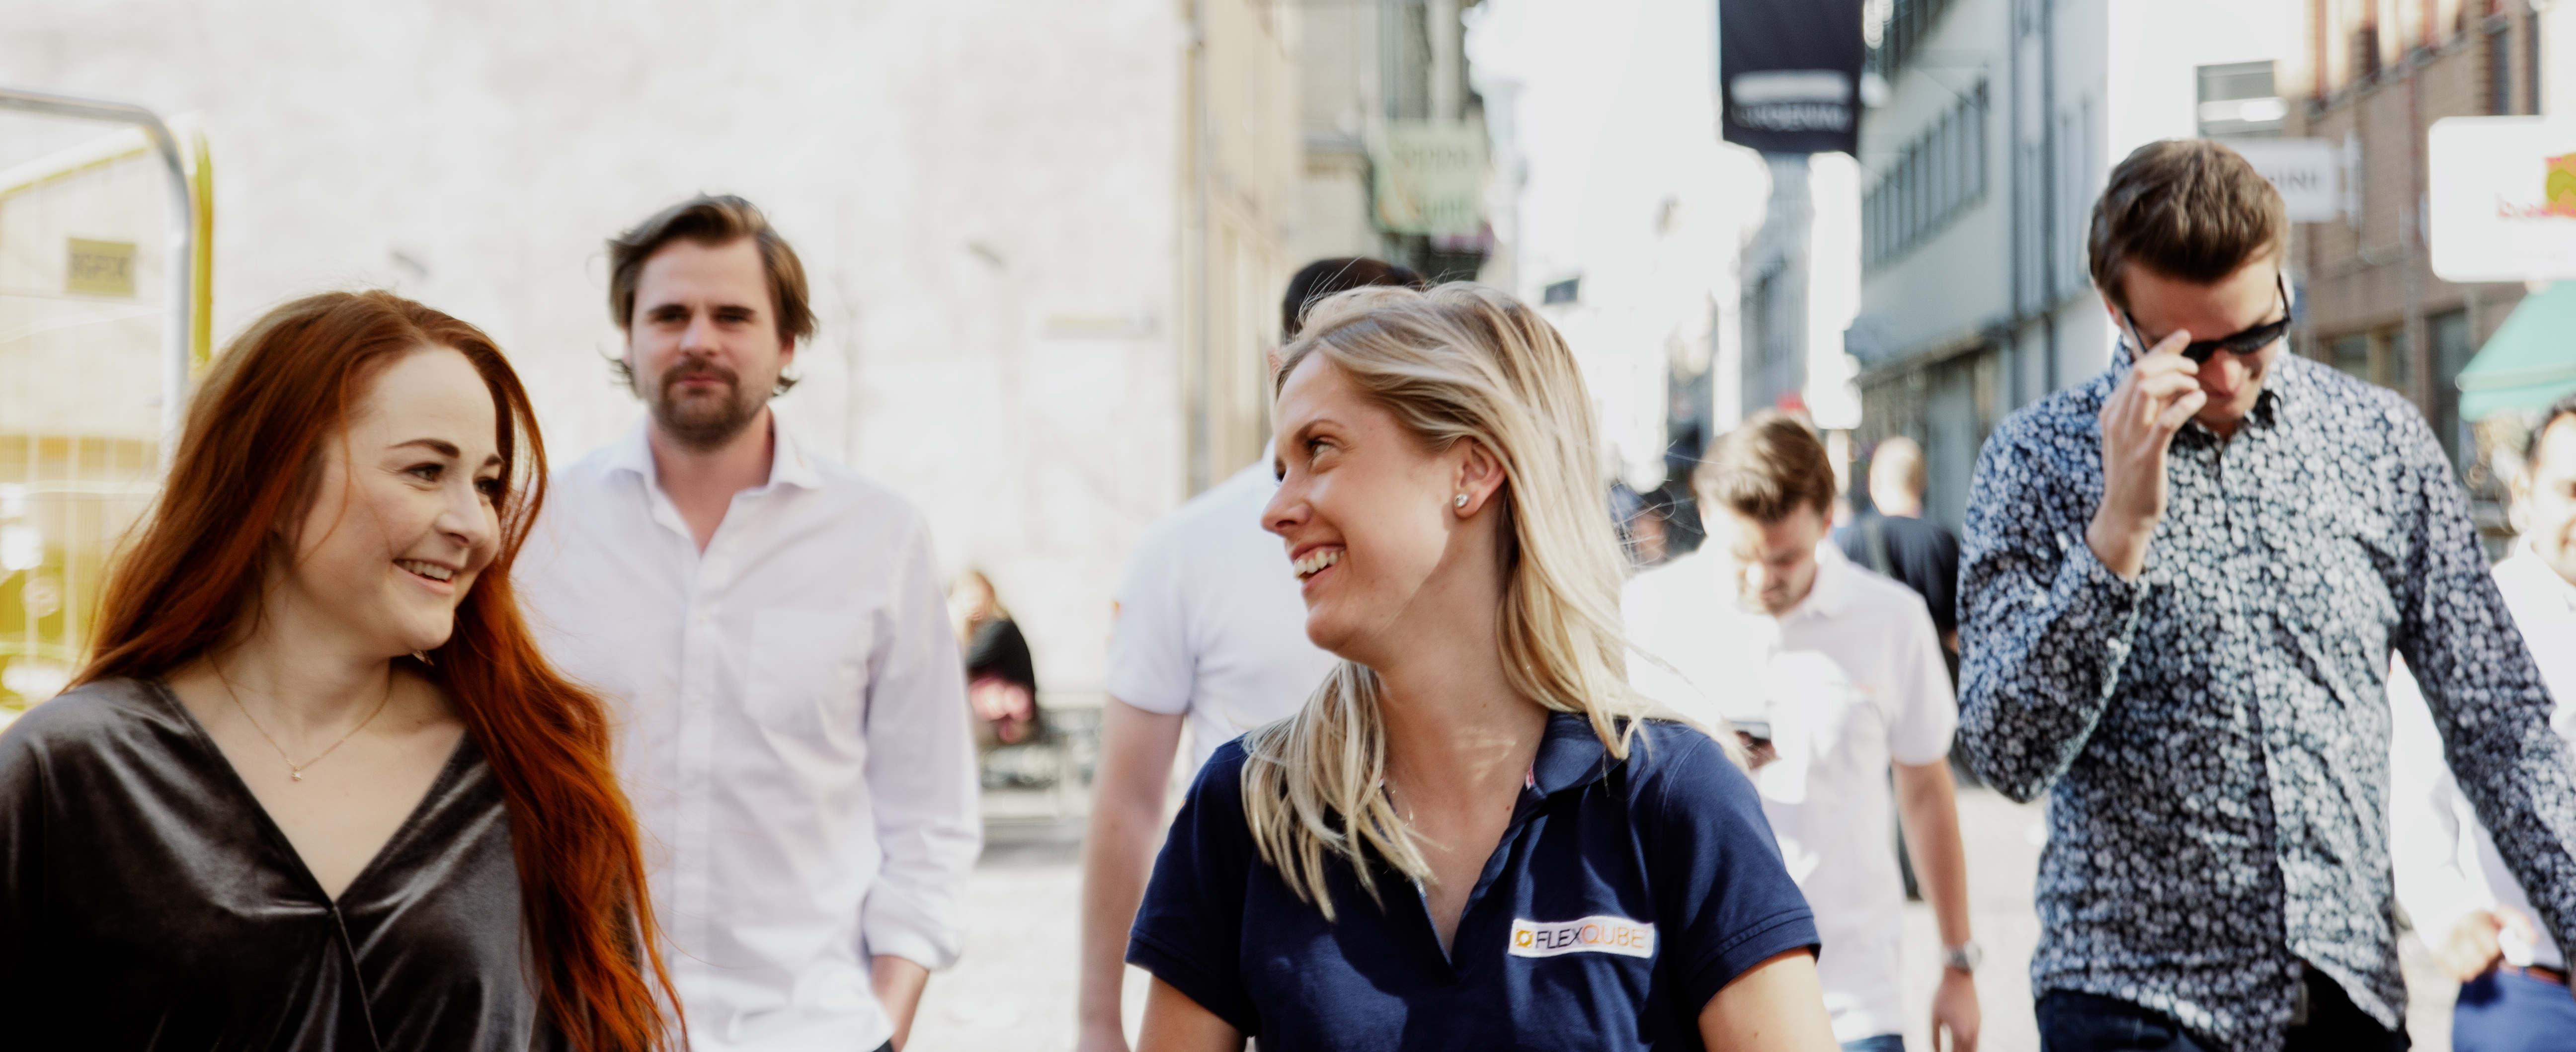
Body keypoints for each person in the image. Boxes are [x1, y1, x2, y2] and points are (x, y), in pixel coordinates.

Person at [1957, 139, 2576, 1052]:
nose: (2223, 376)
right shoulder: (2035, 461)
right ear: (2114, 311)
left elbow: (2499, 723)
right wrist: (2115, 536)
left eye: (2253, 336)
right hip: (2129, 1001)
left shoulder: (2378, 443)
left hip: (2342, 998)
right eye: (2186, 350)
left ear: (2283, 282)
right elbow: (2006, 755)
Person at [1126, 284, 1837, 1051]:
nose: (1275, 510)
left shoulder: (1674, 799)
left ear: (1471, 469)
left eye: (1320, 450)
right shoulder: (1251, 805)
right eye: (1280, 470)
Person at [0, 291, 677, 1050]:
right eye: (426, 471)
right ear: (277, 484)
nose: (475, 526)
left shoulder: (533, 774)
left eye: (486, 484)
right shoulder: (69, 772)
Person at [519, 195, 979, 1052]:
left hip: (816, 1031)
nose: (699, 340)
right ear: (627, 337)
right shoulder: (538, 531)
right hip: (587, 1027)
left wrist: (887, 1018)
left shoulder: (879, 537)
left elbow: (931, 811)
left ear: (788, 342)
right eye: (669, 315)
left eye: (732, 315)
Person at [1076, 256, 1422, 1052]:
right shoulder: (1185, 551)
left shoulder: (1460, 548)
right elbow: (1129, 798)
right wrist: (1097, 1021)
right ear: (1284, 367)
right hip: (1258, 966)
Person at [1626, 411, 1981, 1052]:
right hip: (1683, 995)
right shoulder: (1647, 613)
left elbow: (1927, 789)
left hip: (1849, 999)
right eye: (1743, 557)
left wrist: (1958, 960)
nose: (1763, 578)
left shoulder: (1891, 618)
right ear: (1707, 515)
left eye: (1785, 557)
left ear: (1826, 521)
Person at [2389, 395, 2576, 1052]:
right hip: (2532, 993)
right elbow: (2411, 785)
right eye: (2571, 491)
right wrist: (2446, 912)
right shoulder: (2478, 618)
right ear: (2524, 494)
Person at [1833, 436, 1960, 665]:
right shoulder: (1940, 540)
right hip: (1928, 671)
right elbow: (1956, 632)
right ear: (1921, 481)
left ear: (1874, 482)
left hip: (1870, 673)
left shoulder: (1852, 539)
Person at [952, 569, 1042, 746]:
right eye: (965, 597)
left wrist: (955, 622)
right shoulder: (979, 631)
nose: (971, 602)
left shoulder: (1000, 628)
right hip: (996, 719)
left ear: (988, 593)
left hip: (1012, 721)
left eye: (975, 595)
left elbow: (963, 665)